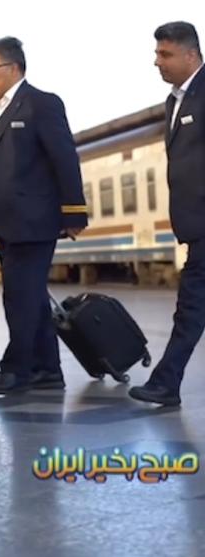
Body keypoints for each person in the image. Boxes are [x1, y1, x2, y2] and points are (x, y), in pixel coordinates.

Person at [0, 36, 88, 396]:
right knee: (30, 296)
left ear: (14, 67)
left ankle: (16, 368)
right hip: (4, 222)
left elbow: (64, 157)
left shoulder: (41, 103)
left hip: (34, 220)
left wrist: (74, 211)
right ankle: (47, 369)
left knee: (20, 297)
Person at [130, 21, 204, 407]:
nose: (157, 61)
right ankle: (166, 383)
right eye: (157, 53)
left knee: (191, 307)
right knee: (192, 308)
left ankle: (166, 382)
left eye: (165, 54)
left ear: (191, 55)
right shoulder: (174, 101)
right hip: (196, 225)